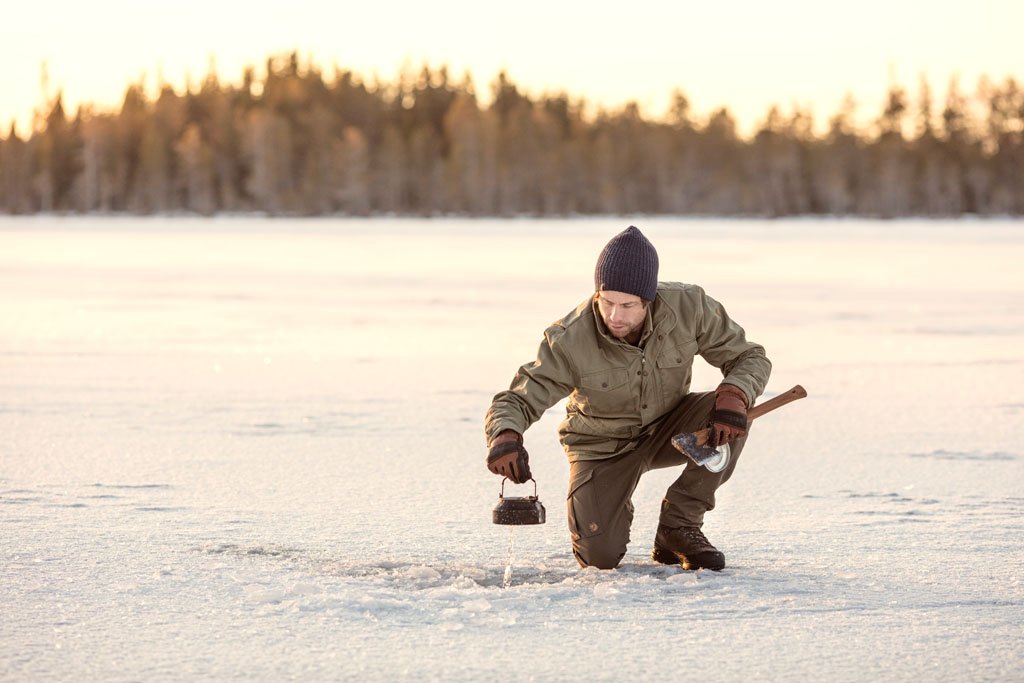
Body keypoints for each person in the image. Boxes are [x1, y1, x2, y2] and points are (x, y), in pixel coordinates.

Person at [484, 226, 771, 570]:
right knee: (599, 557)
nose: (615, 316)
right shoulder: (569, 338)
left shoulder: (689, 307)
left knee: (730, 411)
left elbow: (749, 357)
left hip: (670, 428)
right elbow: (518, 398)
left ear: (648, 299)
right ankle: (612, 508)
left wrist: (736, 396)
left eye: (627, 305)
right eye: (606, 302)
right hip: (602, 446)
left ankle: (679, 525)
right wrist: (505, 435)